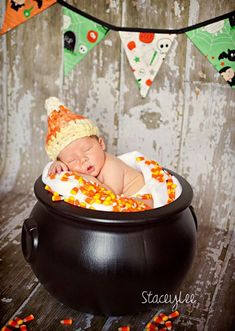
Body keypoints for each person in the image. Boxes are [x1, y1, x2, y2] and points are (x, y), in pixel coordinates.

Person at [45, 97, 153, 208]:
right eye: (72, 160)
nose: (83, 160)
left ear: (101, 144)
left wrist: (83, 176)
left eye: (87, 150)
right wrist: (57, 165)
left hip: (144, 198)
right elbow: (60, 172)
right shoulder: (91, 166)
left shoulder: (112, 166)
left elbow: (108, 195)